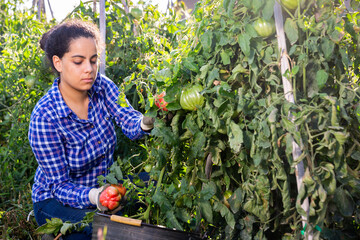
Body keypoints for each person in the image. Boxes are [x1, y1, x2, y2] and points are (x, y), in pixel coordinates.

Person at [28, 19, 155, 240]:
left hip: (103, 191)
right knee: (99, 233)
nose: (89, 69)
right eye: (78, 61)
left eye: (93, 60)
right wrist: (95, 196)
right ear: (58, 63)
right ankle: (56, 233)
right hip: (56, 201)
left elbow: (129, 121)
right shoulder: (44, 117)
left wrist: (147, 122)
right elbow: (59, 186)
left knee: (151, 184)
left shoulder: (102, 87)